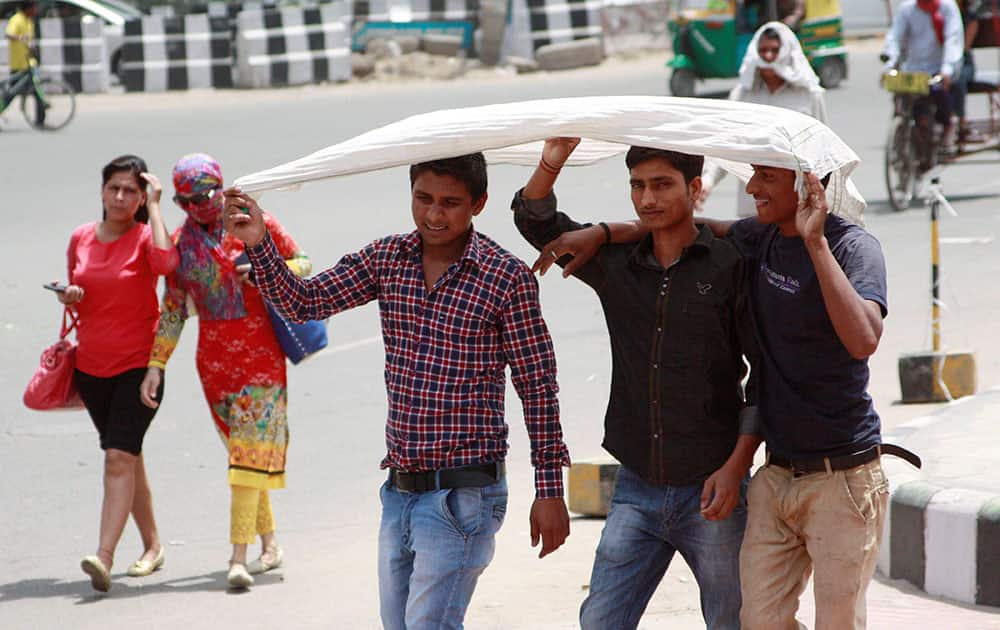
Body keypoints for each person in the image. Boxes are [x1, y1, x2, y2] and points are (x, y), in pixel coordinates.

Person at [223, 153, 572, 628]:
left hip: (464, 497)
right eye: (423, 198)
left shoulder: (505, 278)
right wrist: (260, 244)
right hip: (400, 493)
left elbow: (537, 385)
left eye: (450, 203)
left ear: (478, 204)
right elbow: (306, 301)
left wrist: (549, 491)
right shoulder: (388, 259)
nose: (433, 214)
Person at [548, 165, 892, 628]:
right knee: (755, 620)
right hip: (778, 473)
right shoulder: (759, 237)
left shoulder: (854, 248)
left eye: (767, 177)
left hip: (843, 479)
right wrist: (605, 232)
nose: (751, 188)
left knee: (838, 621)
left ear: (809, 184)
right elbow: (685, 226)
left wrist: (816, 243)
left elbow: (864, 340)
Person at [511, 138, 760, 629]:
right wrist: (554, 156)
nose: (648, 199)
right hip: (636, 488)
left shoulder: (730, 265)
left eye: (662, 185)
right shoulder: (613, 263)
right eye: (638, 186)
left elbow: (764, 378)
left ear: (695, 188)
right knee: (601, 621)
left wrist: (736, 469)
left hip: (713, 489)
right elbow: (535, 221)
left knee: (733, 623)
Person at [139, 153, 309, 589]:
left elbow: (303, 263)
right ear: (178, 202)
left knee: (247, 458)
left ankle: (238, 557)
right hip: (214, 367)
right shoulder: (180, 246)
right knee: (244, 460)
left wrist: (269, 273)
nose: (201, 203)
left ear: (221, 185)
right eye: (189, 199)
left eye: (208, 192)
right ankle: (270, 543)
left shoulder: (254, 220)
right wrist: (156, 364)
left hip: (261, 361)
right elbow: (173, 309)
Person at [56, 155, 178, 592]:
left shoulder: (147, 236)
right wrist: (69, 296)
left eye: (131, 190)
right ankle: (153, 546)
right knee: (127, 454)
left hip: (140, 369)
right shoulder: (81, 237)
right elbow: (81, 293)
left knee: (117, 458)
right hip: (92, 369)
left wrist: (159, 207)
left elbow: (166, 266)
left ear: (142, 196)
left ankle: (103, 556)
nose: (121, 197)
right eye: (114, 188)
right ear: (102, 191)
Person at [700, 22, 827, 218]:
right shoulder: (742, 95)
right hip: (755, 204)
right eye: (763, 50)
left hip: (797, 204)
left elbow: (821, 149)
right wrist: (708, 181)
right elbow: (727, 143)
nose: (768, 57)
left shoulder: (809, 94)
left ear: (786, 51)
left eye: (774, 50)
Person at [882, 0, 964, 157]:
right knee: (905, 101)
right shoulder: (908, 9)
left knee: (940, 99)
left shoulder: (946, 7)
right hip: (913, 70)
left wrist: (946, 69)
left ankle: (947, 127)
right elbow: (895, 37)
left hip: (937, 69)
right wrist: (890, 63)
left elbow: (952, 40)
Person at [4, 0, 43, 125]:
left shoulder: (29, 21)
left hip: (29, 63)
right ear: (27, 8)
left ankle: (40, 120)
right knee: (10, 94)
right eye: (34, 8)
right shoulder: (17, 19)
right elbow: (9, 34)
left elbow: (29, 40)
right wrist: (19, 37)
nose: (36, 10)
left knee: (37, 90)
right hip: (18, 64)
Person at [953, 0, 984, 146]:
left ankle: (961, 121)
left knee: (958, 80)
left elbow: (963, 48)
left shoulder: (969, 17)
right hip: (940, 61)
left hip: (962, 61)